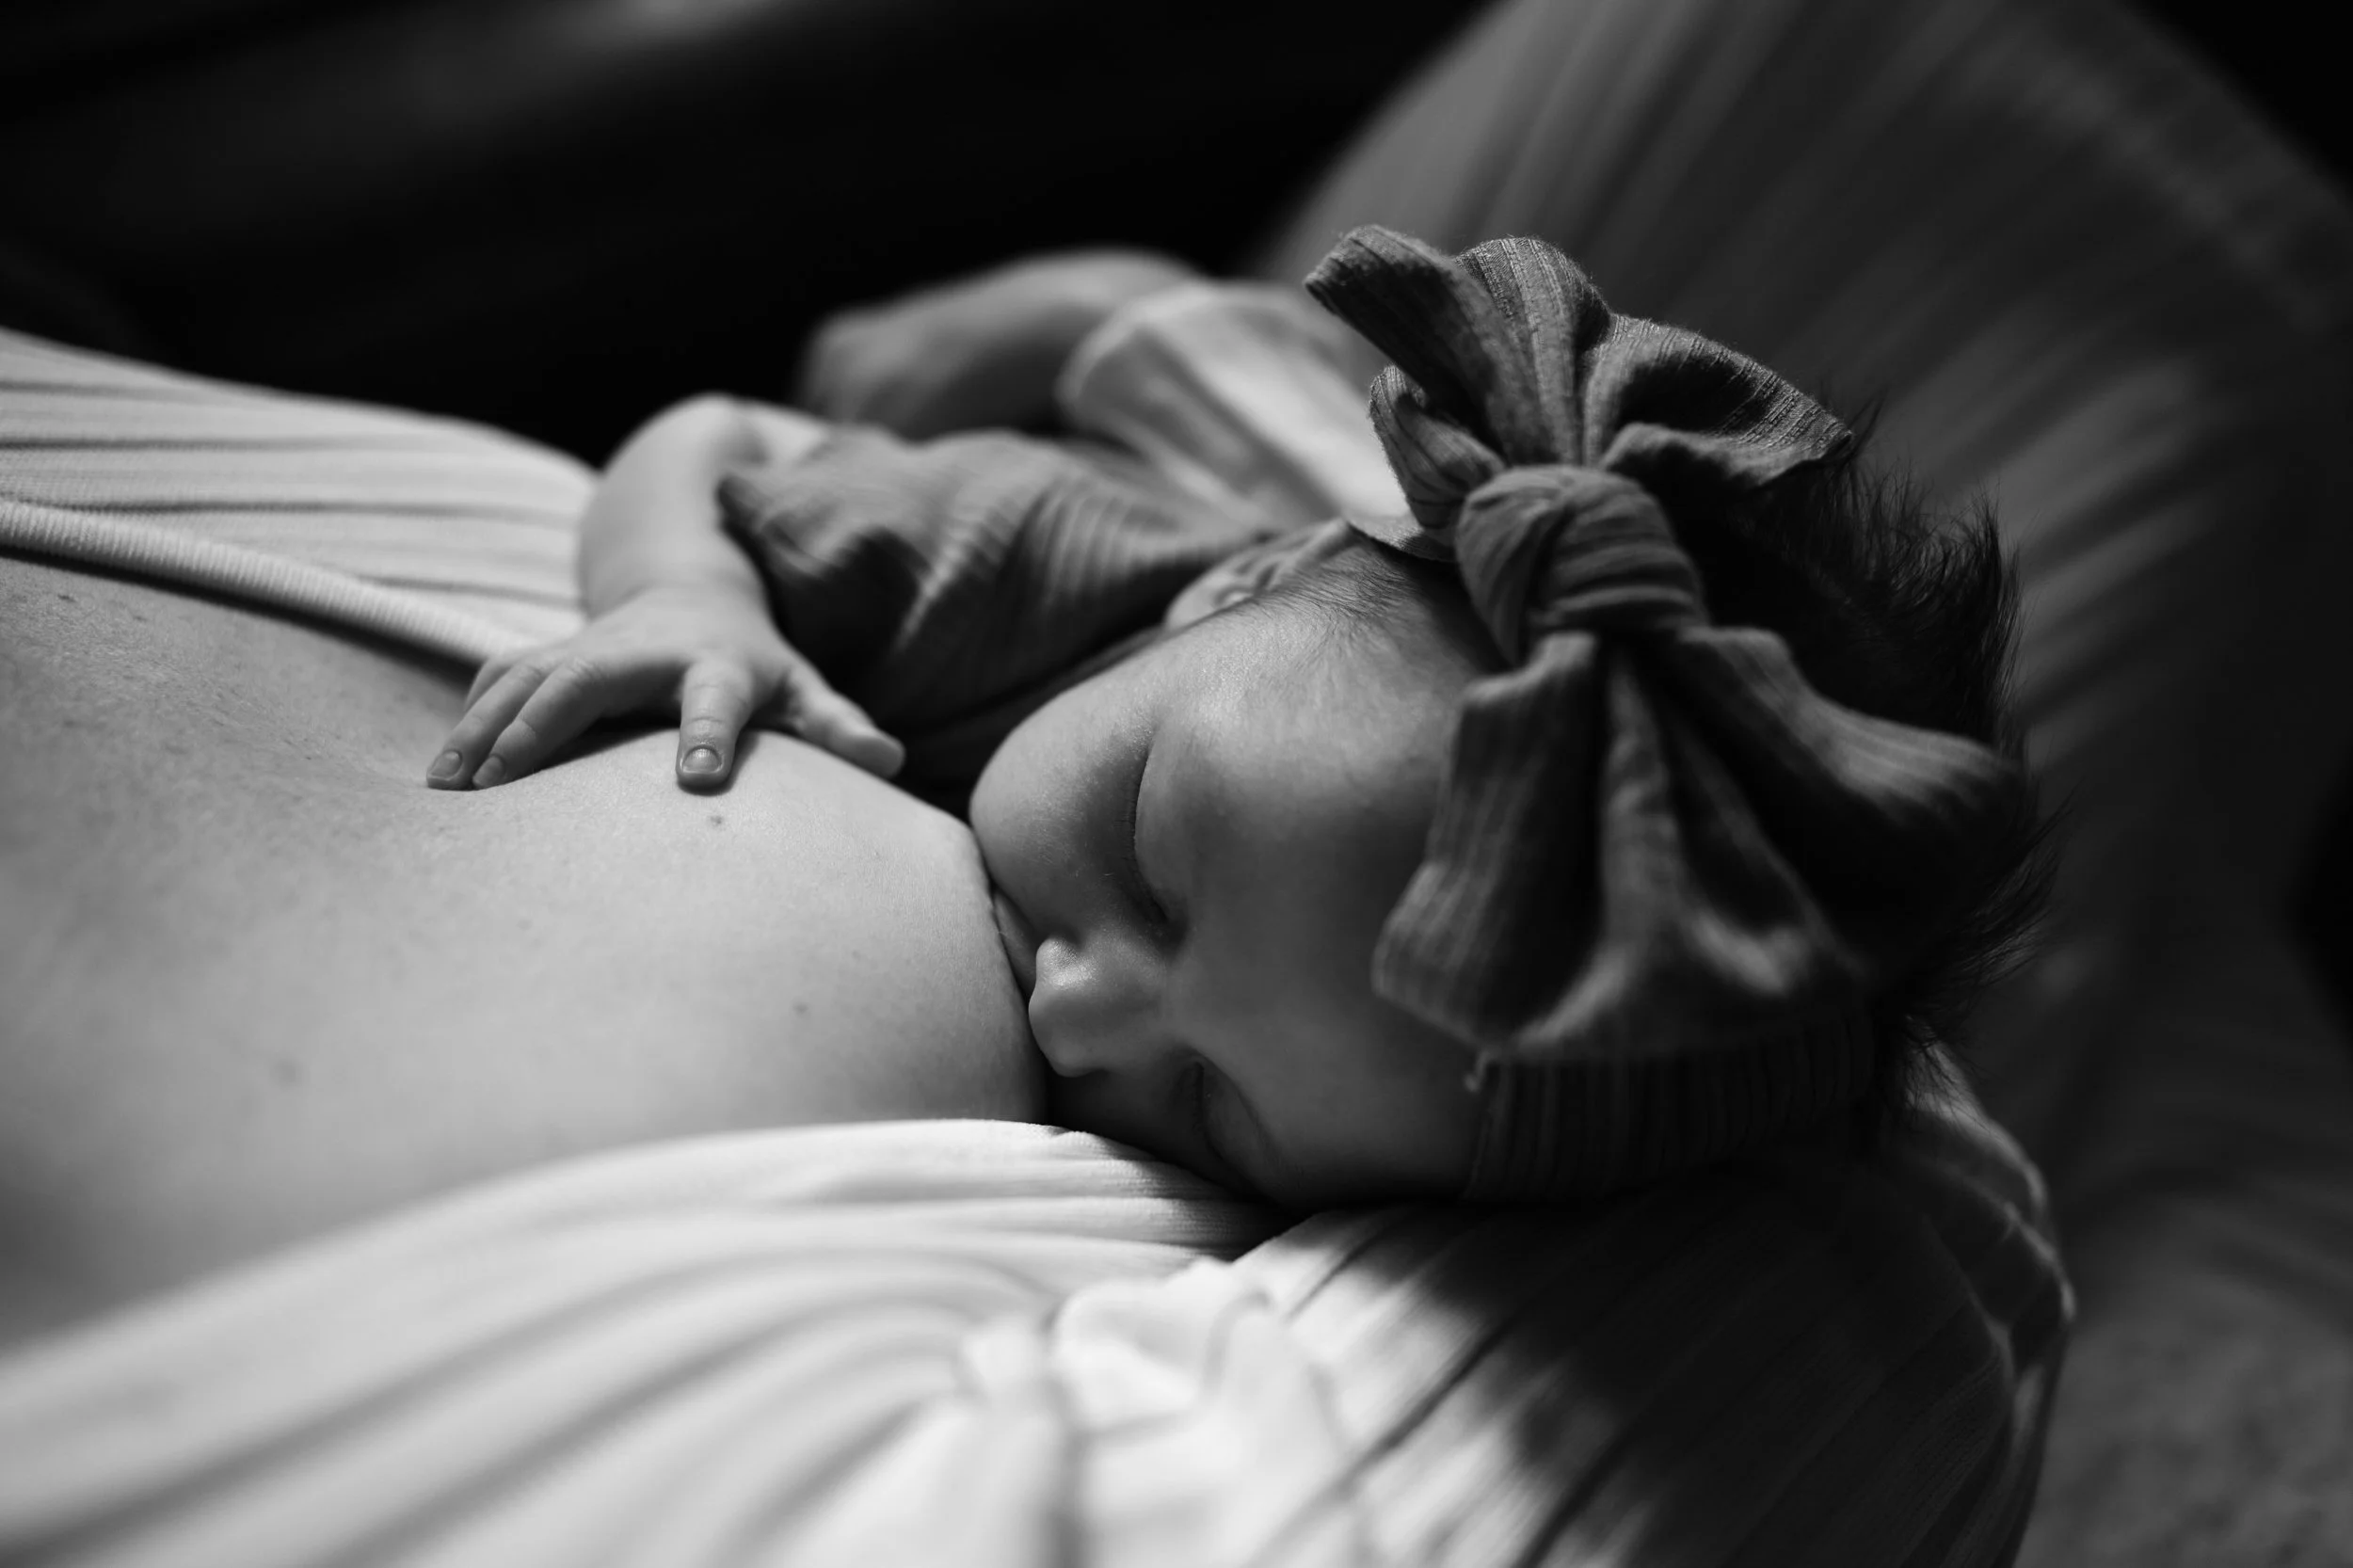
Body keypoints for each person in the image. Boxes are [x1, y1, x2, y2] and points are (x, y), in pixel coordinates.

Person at [426, 226, 2051, 1211]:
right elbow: (706, 440)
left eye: (1216, 1102)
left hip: (1305, 579)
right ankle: (1126, 315)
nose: (1080, 1021)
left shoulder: (1394, 1034)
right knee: (1002, 355)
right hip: (1176, 477)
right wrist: (688, 595)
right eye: (1148, 870)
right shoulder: (1004, 564)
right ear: (1224, 604)